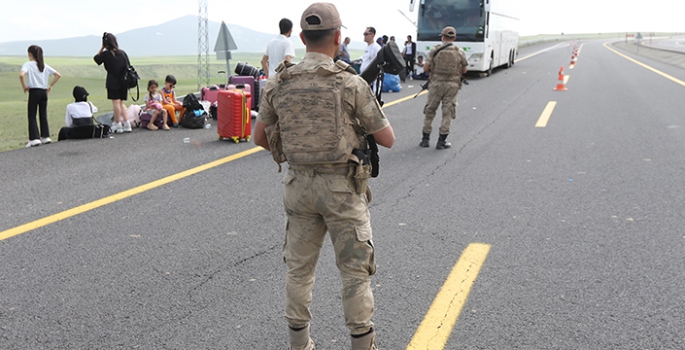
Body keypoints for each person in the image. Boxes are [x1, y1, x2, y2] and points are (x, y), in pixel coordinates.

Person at [253, 3, 395, 349]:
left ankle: (299, 345)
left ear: (302, 37)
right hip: (342, 191)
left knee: (299, 270)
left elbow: (260, 137)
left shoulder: (278, 83)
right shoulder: (350, 82)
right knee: (354, 273)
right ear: (338, 37)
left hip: (298, 186)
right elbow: (387, 140)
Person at [420, 26, 468, 150]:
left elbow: (425, 68)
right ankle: (441, 141)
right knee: (448, 113)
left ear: (442, 37)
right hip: (452, 86)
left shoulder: (435, 50)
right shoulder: (459, 51)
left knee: (430, 111)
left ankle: (425, 139)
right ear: (454, 38)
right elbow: (464, 69)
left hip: (436, 84)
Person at [19, 45, 61, 147]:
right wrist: (49, 86)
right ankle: (45, 136)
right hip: (43, 92)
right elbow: (58, 75)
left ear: (30, 54)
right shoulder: (43, 65)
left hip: (34, 91)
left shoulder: (28, 64)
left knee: (32, 114)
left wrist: (24, 86)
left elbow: (21, 75)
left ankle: (34, 138)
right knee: (43, 114)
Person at [94, 32, 132, 133]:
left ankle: (118, 123)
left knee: (115, 102)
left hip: (113, 81)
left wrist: (102, 48)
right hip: (123, 81)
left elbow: (96, 59)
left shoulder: (107, 54)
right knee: (121, 102)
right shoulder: (123, 53)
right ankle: (127, 123)